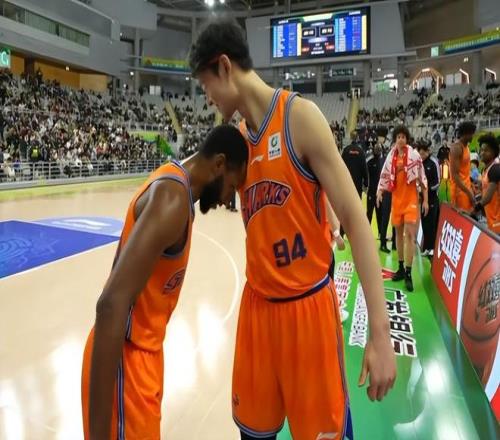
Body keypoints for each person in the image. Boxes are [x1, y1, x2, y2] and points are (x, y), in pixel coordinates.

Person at [190, 18, 396, 440]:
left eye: (206, 84)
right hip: (257, 311)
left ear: (225, 66)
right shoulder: (236, 142)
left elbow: (356, 219)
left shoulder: (300, 117)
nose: (207, 97)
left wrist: (380, 334)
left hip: (308, 311)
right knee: (253, 434)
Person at [81, 125, 248, 440]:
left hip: (142, 358)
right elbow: (111, 305)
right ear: (219, 164)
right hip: (124, 361)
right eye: (232, 186)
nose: (229, 198)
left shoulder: (176, 188)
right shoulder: (172, 199)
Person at [377, 126, 429, 292]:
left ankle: (408, 273)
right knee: (398, 235)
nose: (401, 139)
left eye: (403, 137)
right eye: (398, 137)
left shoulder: (414, 156)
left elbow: (422, 179)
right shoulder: (390, 157)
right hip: (397, 201)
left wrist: (425, 200)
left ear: (407, 139)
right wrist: (379, 191)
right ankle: (400, 268)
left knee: (410, 235)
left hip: (411, 201)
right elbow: (384, 177)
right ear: (395, 139)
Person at [416, 142, 441, 256]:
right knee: (424, 222)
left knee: (431, 223)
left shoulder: (434, 162)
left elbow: (438, 182)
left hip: (432, 199)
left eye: (423, 154)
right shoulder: (420, 163)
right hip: (422, 198)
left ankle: (432, 248)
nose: (421, 156)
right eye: (420, 154)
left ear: (428, 152)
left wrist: (427, 189)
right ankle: (426, 247)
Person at [367, 138, 390, 253]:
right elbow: (366, 175)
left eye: (379, 150)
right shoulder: (369, 161)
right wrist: (366, 187)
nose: (377, 151)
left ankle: (381, 233)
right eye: (376, 149)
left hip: (380, 192)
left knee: (380, 213)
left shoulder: (384, 161)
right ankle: (366, 233)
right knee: (369, 213)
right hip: (371, 191)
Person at [474, 133, 500, 234]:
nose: (482, 153)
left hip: (498, 221)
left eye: (486, 150)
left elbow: (487, 198)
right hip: (491, 219)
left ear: (494, 152)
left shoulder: (495, 169)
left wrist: (473, 210)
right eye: (481, 150)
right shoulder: (485, 170)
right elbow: (484, 191)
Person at [450, 121, 476, 212]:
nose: (472, 136)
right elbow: (455, 175)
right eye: (471, 134)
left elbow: (465, 170)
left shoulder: (466, 146)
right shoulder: (456, 148)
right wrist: (469, 192)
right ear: (466, 134)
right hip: (459, 190)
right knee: (462, 217)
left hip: (466, 186)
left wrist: (471, 185)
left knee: (470, 214)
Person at [342, 130, 369, 198]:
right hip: (357, 183)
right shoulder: (361, 151)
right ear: (357, 138)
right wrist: (366, 183)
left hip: (347, 182)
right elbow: (364, 168)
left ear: (350, 138)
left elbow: (341, 166)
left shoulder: (346, 150)